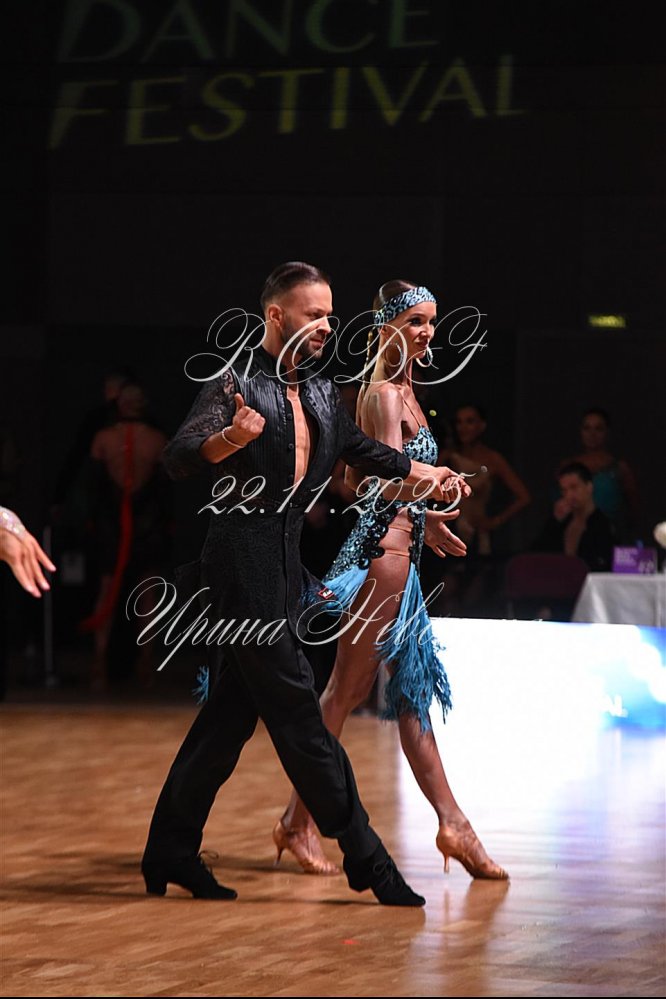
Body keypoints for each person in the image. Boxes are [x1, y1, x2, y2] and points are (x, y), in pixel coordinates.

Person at [141, 262, 467, 906]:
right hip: (239, 572)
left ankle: (169, 850)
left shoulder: (318, 391)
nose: (325, 325)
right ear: (276, 316)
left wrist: (423, 475)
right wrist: (228, 439)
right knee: (300, 719)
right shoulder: (235, 379)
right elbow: (177, 457)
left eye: (329, 315)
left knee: (226, 723)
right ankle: (367, 858)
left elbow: (365, 452)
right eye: (313, 314)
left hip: (285, 570)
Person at [273, 280, 508, 881]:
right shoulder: (382, 395)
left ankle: (450, 823)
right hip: (380, 560)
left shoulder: (406, 393)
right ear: (387, 329)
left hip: (400, 554)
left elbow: (363, 482)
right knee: (346, 695)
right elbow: (377, 481)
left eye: (431, 322)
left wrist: (428, 521)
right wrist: (436, 481)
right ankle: (301, 821)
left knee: (403, 693)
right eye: (415, 322)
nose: (428, 333)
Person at [82, 383, 171, 689]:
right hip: (121, 520)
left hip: (139, 521)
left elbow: (163, 490)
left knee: (142, 591)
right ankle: (108, 661)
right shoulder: (150, 440)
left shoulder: (111, 438)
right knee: (121, 590)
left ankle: (136, 662)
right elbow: (95, 486)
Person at [436, 403, 531, 615]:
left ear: (481, 425)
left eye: (470, 421)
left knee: (474, 598)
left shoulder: (492, 459)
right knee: (447, 593)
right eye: (459, 422)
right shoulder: (448, 456)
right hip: (450, 530)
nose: (463, 427)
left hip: (479, 536)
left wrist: (495, 521)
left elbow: (523, 496)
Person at [561, 408, 638, 542]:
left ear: (607, 433)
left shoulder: (619, 468)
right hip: (574, 537)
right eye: (587, 428)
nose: (592, 434)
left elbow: (633, 508)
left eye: (598, 429)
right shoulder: (566, 467)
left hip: (609, 538)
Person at [532, 461, 615, 572]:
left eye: (574, 488)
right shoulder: (561, 522)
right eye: (564, 490)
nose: (569, 495)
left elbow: (604, 563)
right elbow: (536, 554)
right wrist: (554, 521)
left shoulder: (603, 524)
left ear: (589, 487)